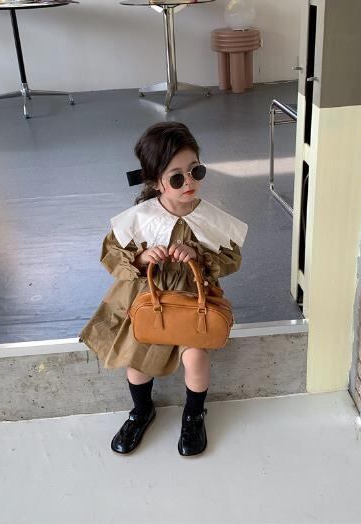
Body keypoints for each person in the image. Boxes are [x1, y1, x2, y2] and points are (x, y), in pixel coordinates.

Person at [79, 121, 247, 457]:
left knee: (196, 357)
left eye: (195, 171)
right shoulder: (140, 217)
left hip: (192, 302)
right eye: (177, 178)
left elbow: (231, 258)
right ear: (157, 182)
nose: (189, 183)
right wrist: (141, 257)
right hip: (147, 299)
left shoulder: (211, 219)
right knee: (137, 360)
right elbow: (112, 253)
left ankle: (194, 414)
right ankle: (142, 411)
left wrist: (199, 256)